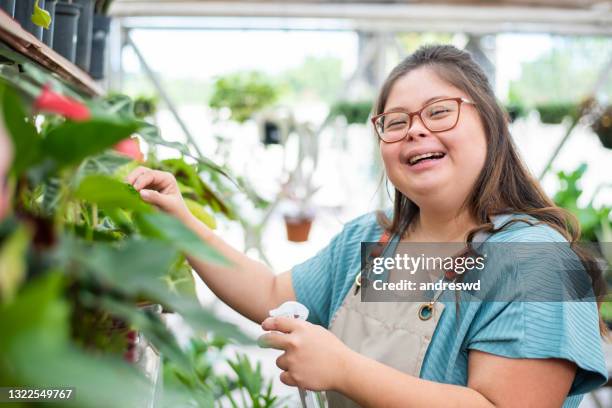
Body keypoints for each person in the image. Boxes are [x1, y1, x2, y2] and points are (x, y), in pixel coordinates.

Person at [126, 44, 608, 407]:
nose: (416, 129)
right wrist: (179, 220)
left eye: (440, 111)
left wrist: (342, 369)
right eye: (395, 121)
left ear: (492, 124)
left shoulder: (534, 259)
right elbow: (272, 291)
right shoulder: (373, 241)